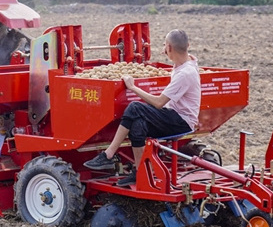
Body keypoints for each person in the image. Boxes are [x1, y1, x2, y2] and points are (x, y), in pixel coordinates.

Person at [84, 29, 201, 186]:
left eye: (165, 47)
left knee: (135, 108)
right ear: (188, 45)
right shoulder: (187, 63)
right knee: (138, 125)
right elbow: (184, 53)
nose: (163, 50)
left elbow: (159, 103)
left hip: (181, 121)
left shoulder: (185, 74)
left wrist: (133, 87)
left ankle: (109, 154)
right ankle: (140, 173)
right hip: (174, 115)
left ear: (170, 48)